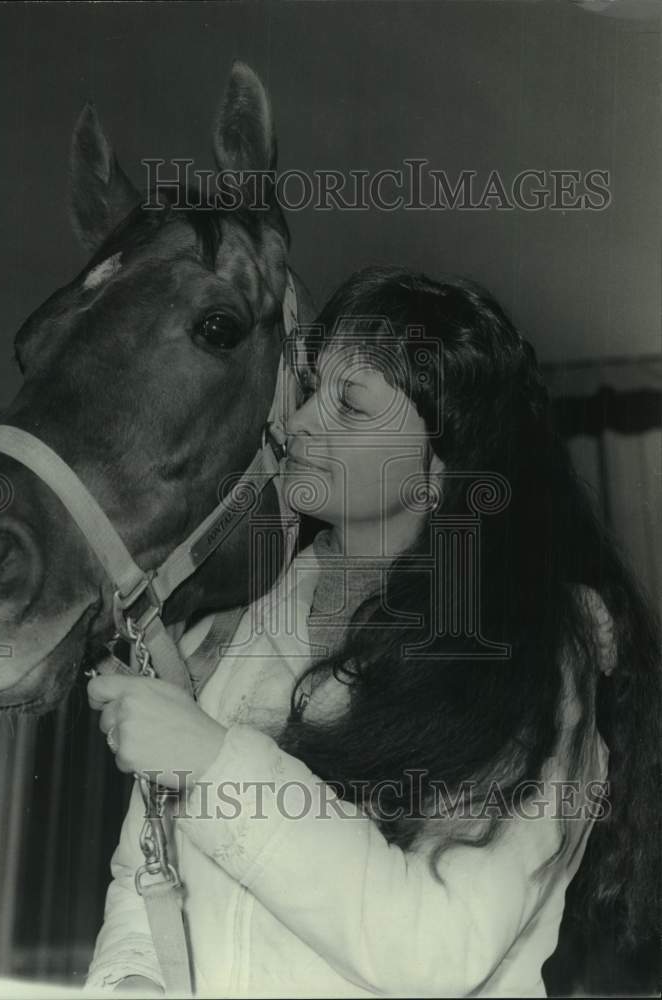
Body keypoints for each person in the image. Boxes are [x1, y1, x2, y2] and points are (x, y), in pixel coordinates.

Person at [85, 268, 661, 997]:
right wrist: (130, 979)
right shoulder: (250, 615)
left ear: (438, 472)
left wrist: (210, 760)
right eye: (312, 389)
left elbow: (434, 950)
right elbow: (146, 877)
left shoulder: (529, 663)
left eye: (350, 405)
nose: (296, 424)